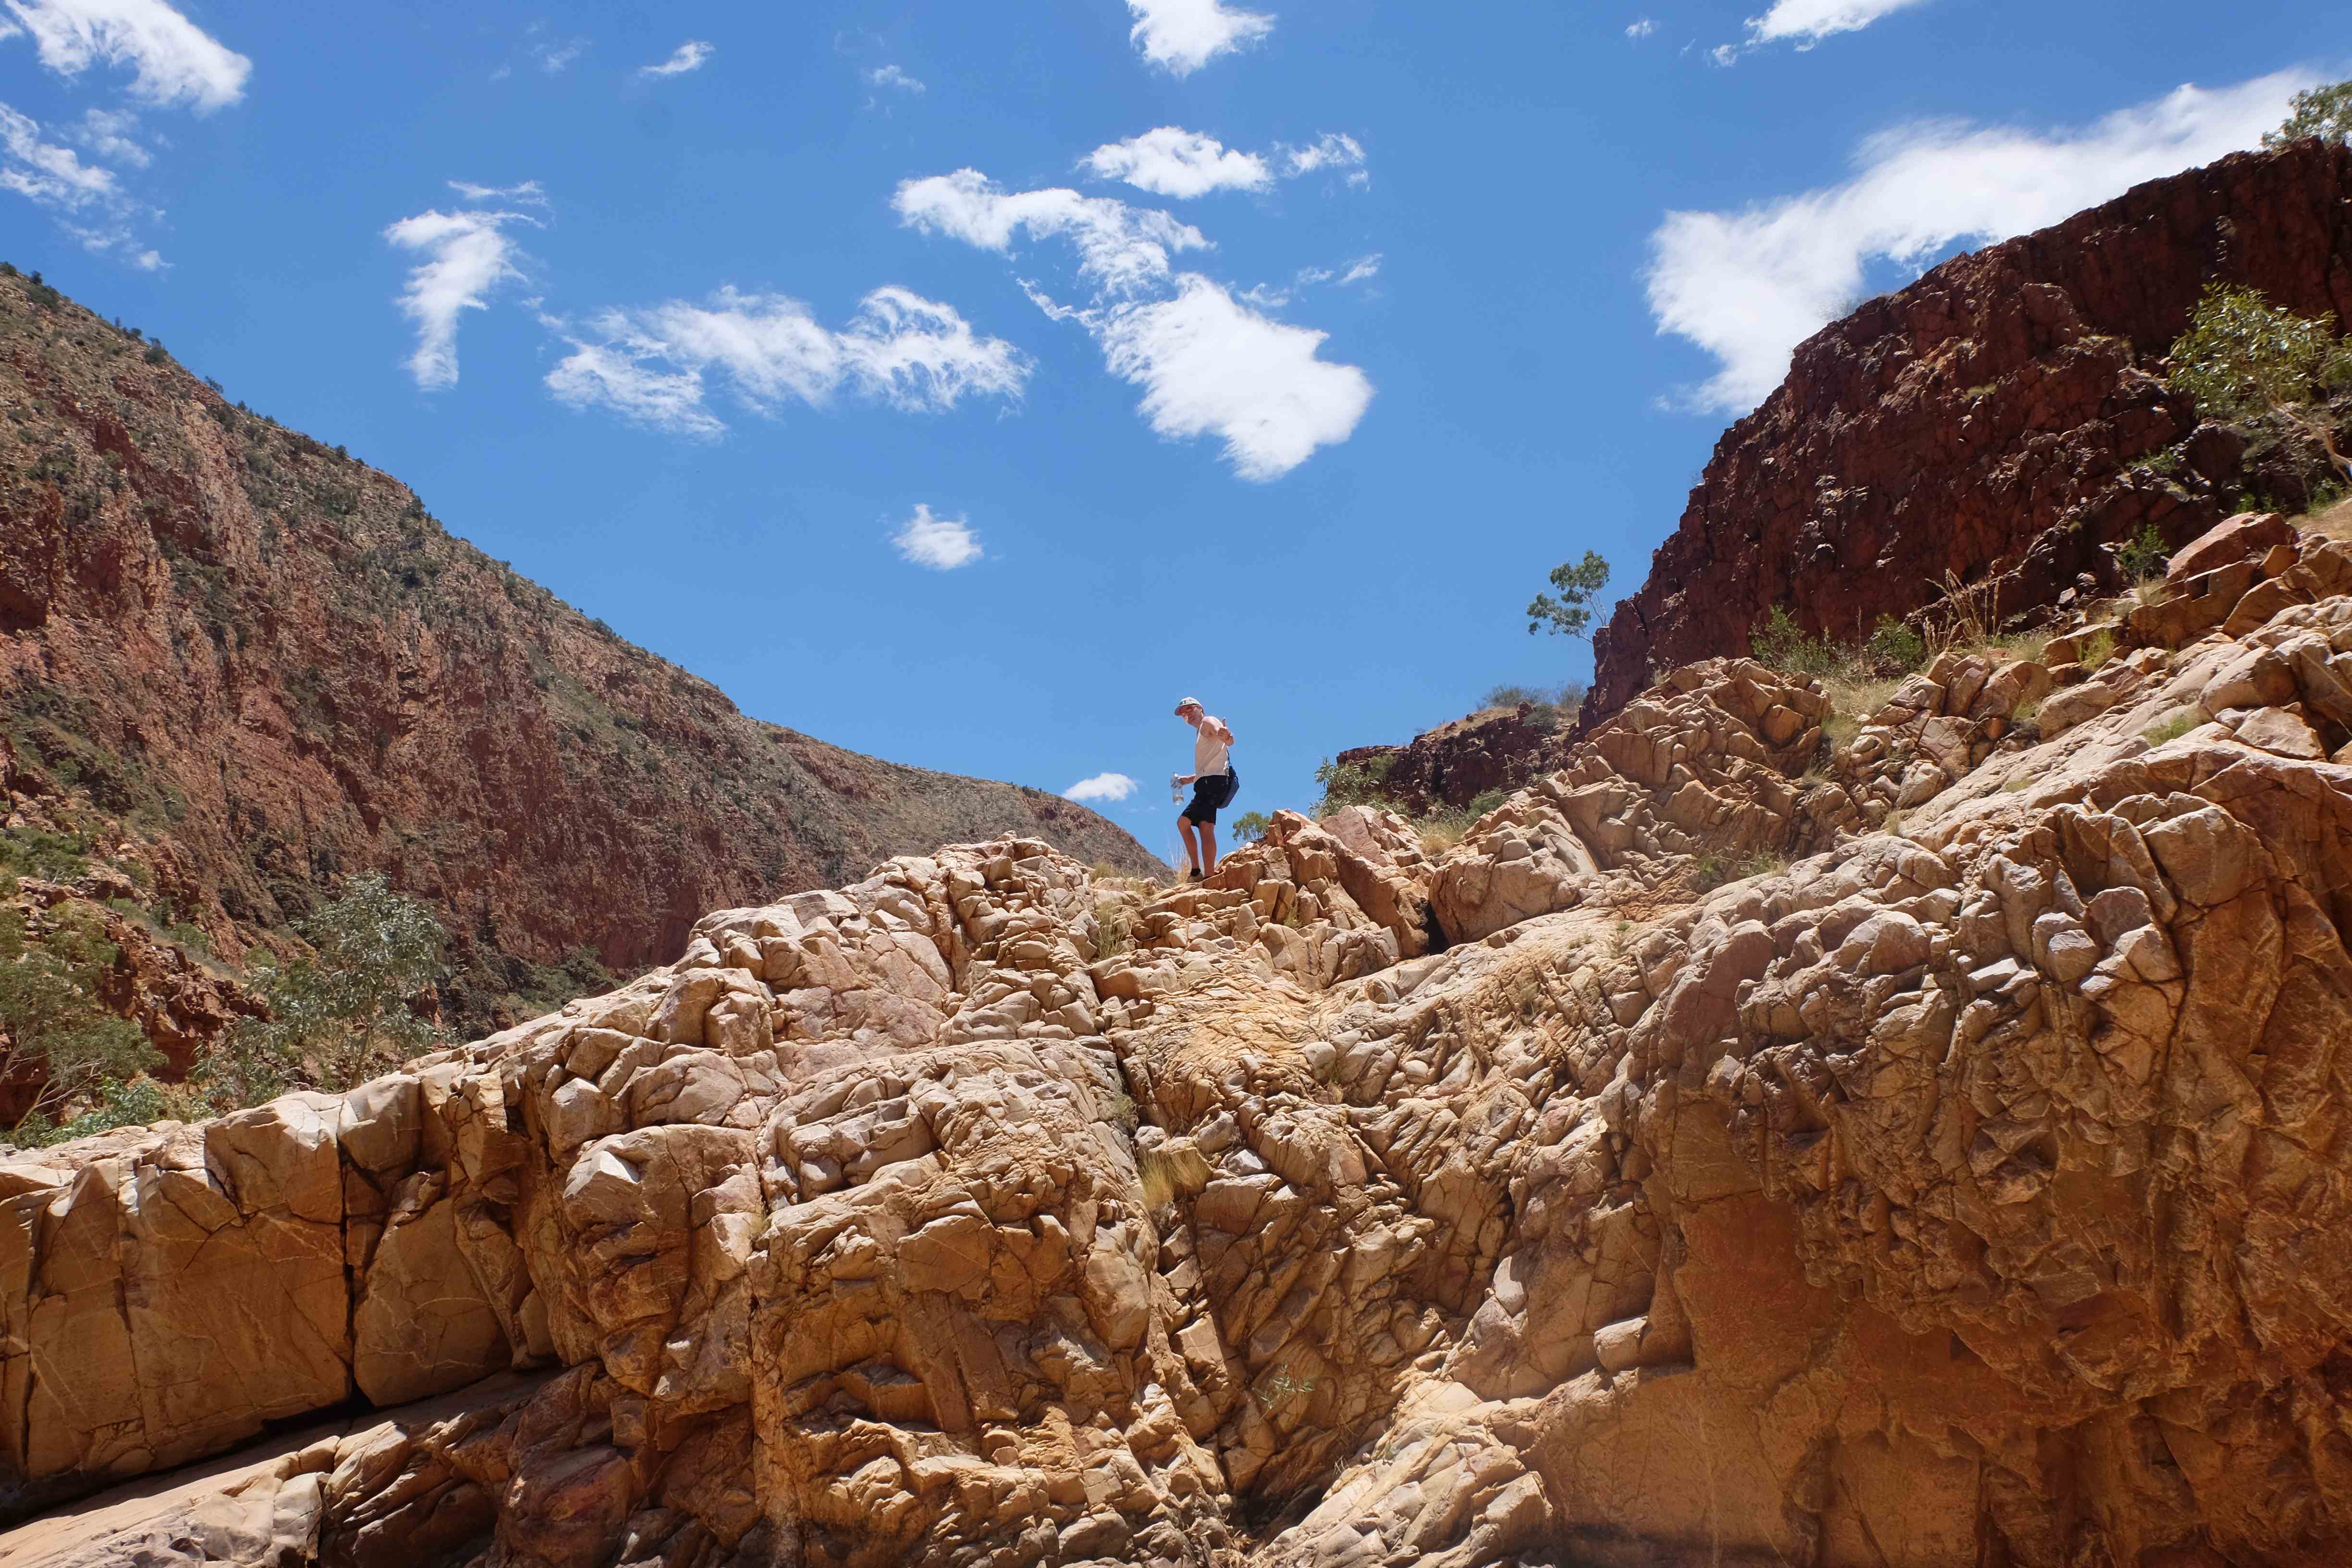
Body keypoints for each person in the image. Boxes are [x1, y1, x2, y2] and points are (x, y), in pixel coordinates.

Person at [1173, 698, 1237, 880]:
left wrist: (1227, 736)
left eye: (1190, 709)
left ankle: (1201, 874)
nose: (1187, 714)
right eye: (1183, 713)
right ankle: (1206, 874)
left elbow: (1226, 737)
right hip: (1210, 784)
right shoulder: (1200, 731)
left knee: (1188, 824)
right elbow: (1210, 766)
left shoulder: (1208, 721)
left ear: (1200, 709)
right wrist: (1188, 780)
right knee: (1204, 827)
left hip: (1212, 784)